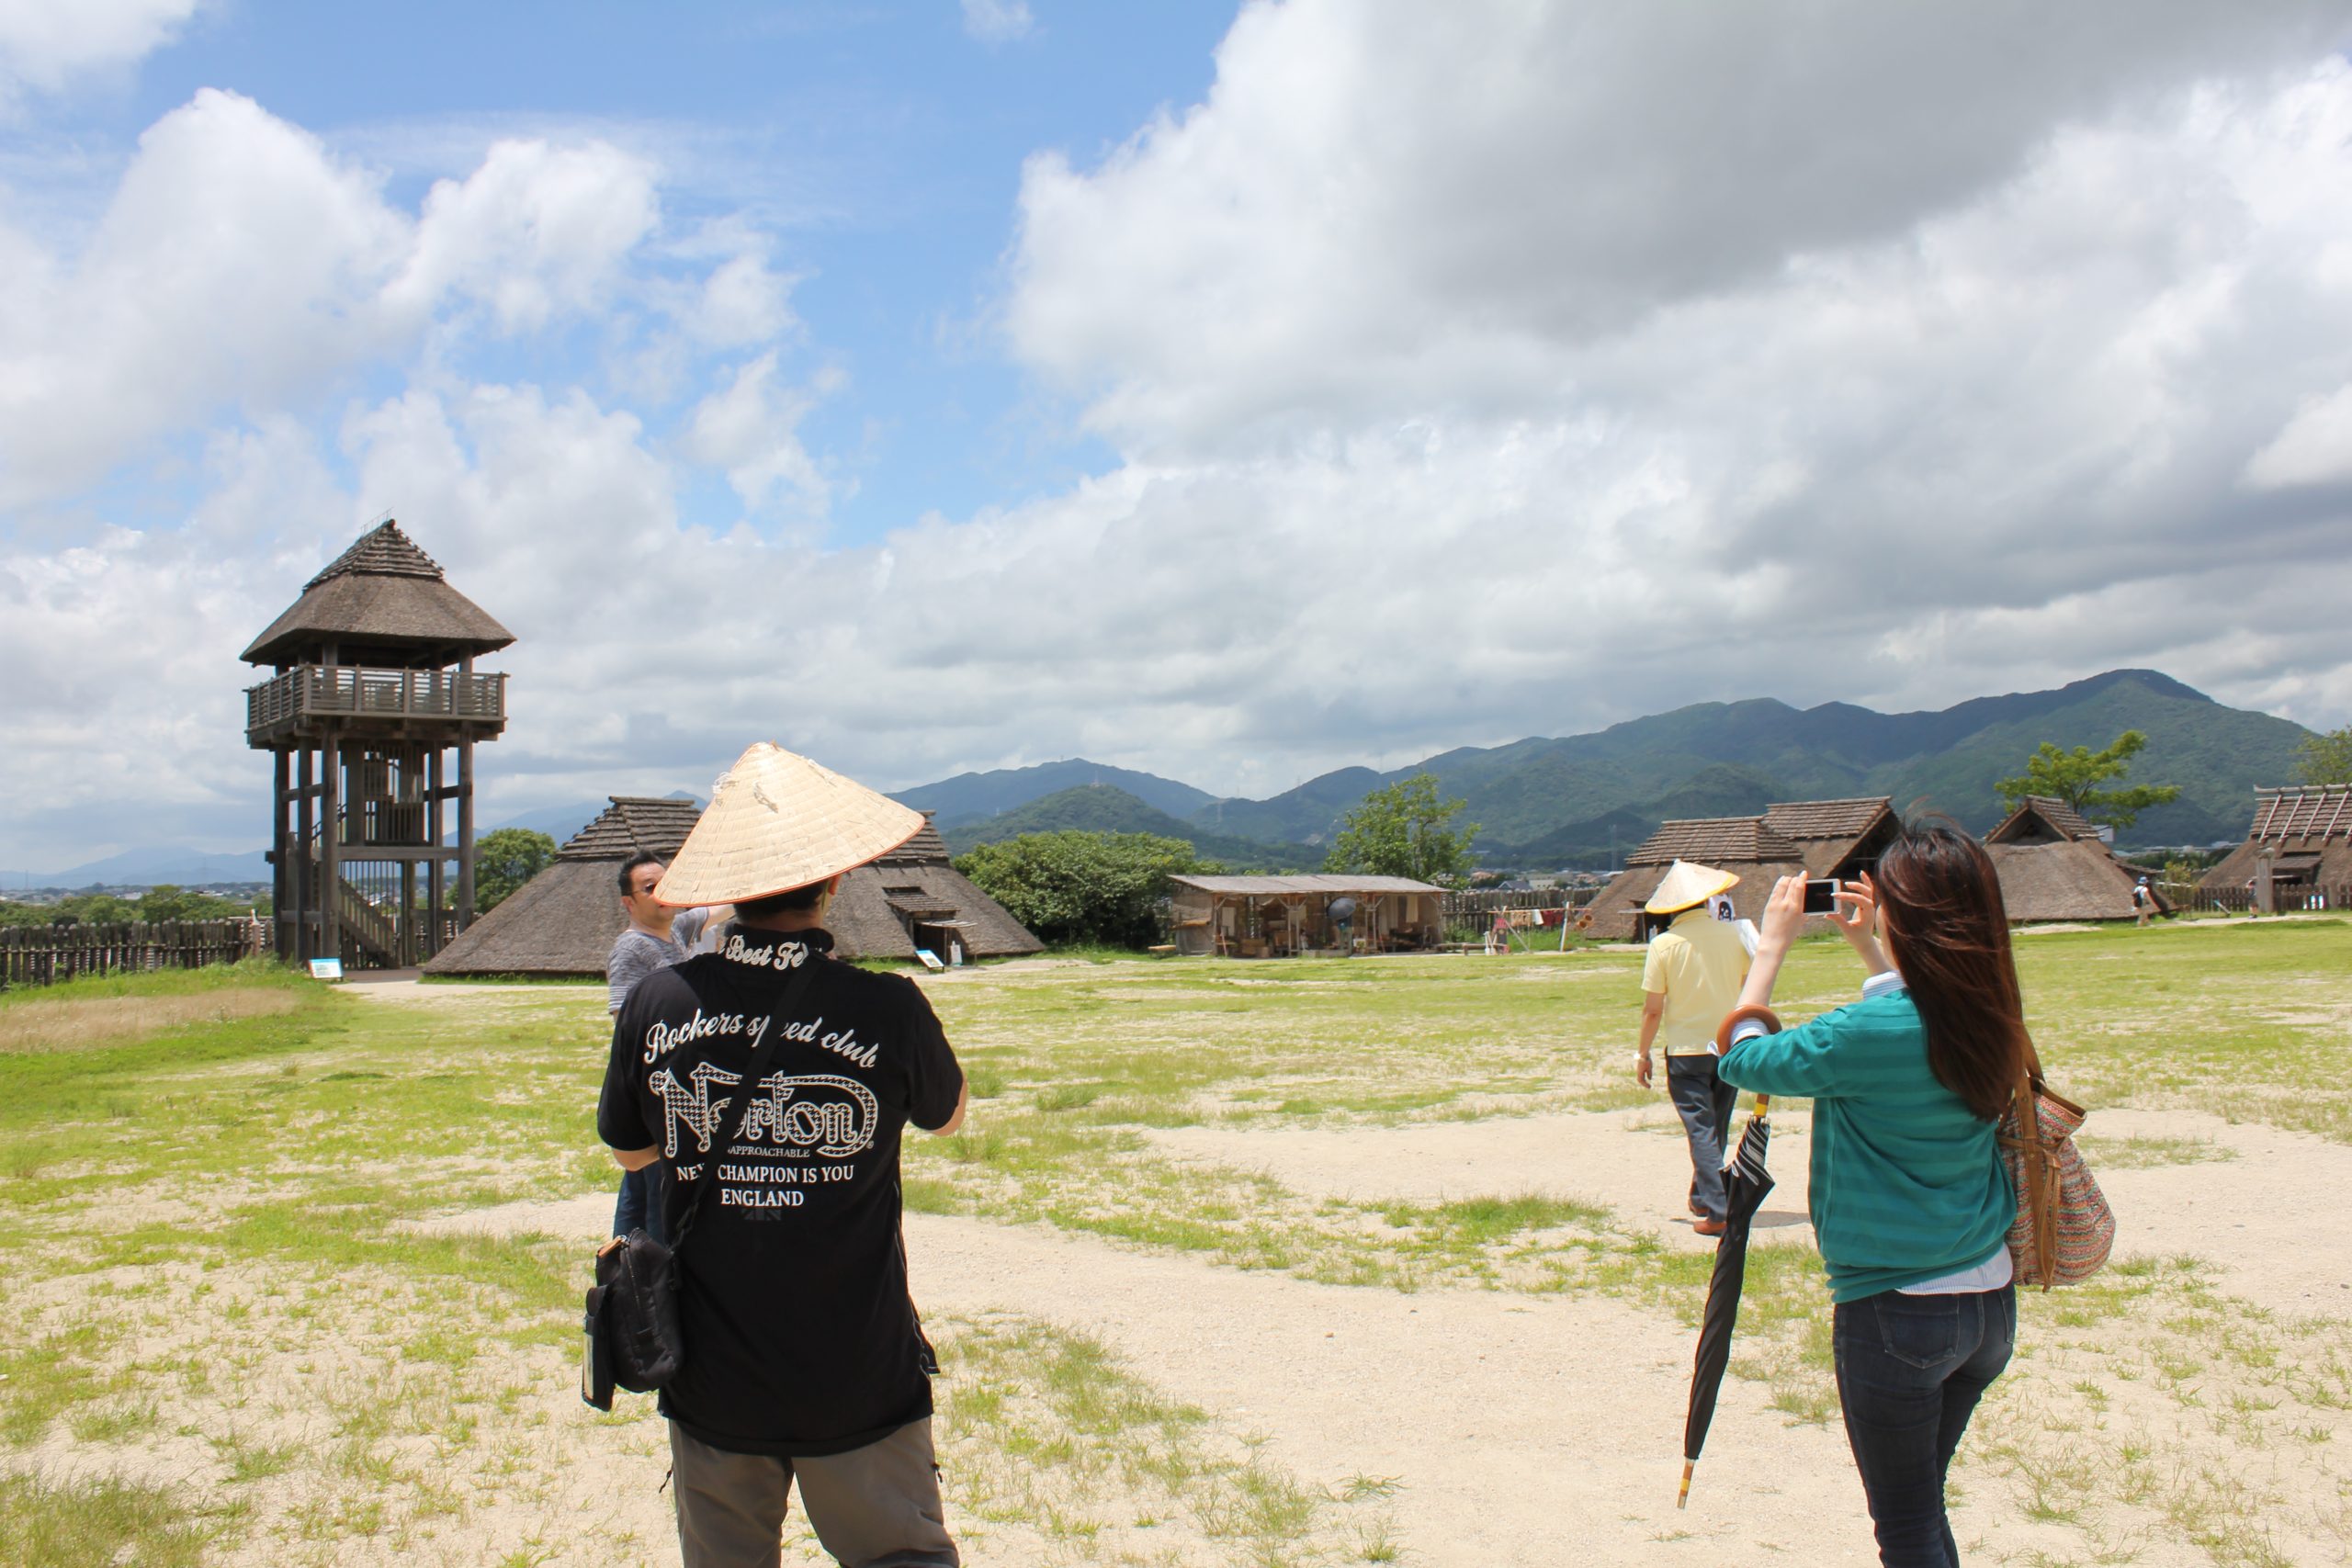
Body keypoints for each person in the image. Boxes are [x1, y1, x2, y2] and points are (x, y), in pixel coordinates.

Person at [599, 742, 967, 1568]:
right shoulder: (886, 1005)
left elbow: (630, 1152)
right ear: (833, 880)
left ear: (730, 888)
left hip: (712, 1363)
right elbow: (945, 1118)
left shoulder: (658, 1000)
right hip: (857, 1358)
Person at [1714, 821, 2019, 1567]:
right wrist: (1871, 952)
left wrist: (1771, 947)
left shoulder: (1863, 1033)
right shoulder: (1989, 1012)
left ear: (1905, 916)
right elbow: (1914, 1018)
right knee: (1921, 1507)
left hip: (1897, 1308)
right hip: (1988, 1300)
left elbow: (1744, 1058)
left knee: (1907, 1527)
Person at [1634, 860, 1751, 1236]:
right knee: (1717, 1125)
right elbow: (1747, 987)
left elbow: (1653, 1009)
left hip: (1686, 1051)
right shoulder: (1733, 936)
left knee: (1701, 1129)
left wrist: (1642, 1053)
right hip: (1728, 1045)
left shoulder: (1664, 945)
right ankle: (1703, 1196)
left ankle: (1717, 1208)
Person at [606, 851, 710, 1246]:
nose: (662, 892)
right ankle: (649, 1276)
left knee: (641, 1190)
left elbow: (724, 908)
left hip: (680, 1082)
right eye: (650, 887)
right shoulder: (630, 948)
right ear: (629, 902)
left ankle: (626, 1271)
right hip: (657, 1085)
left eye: (667, 882)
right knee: (657, 1201)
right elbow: (625, 1023)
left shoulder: (677, 929)